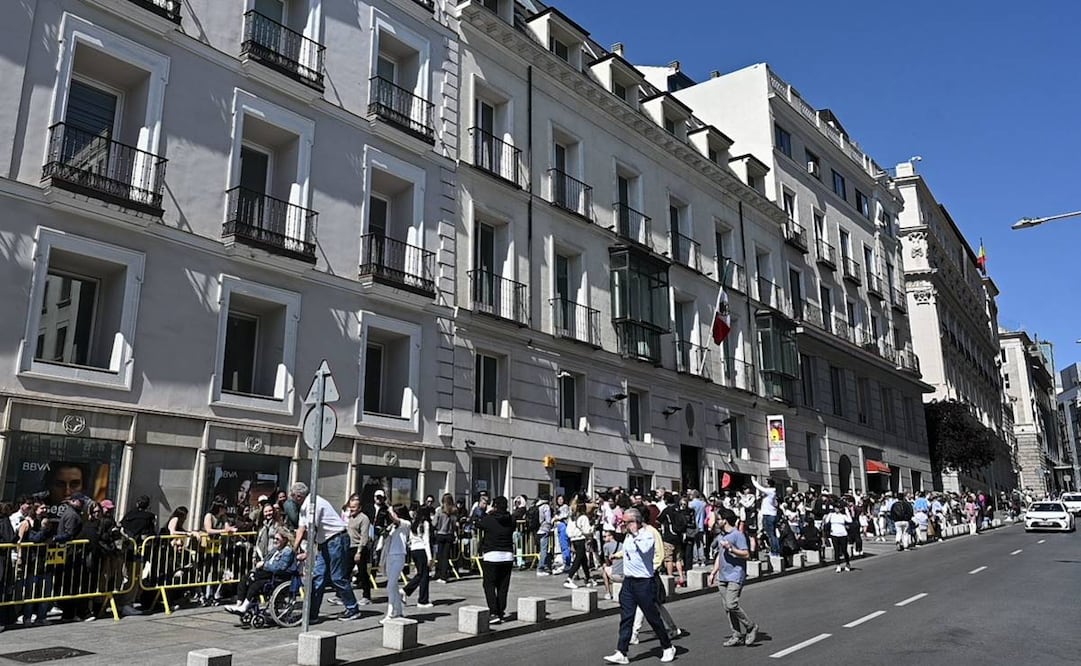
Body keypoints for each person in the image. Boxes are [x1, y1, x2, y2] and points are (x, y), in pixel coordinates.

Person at [604, 508, 676, 664]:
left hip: (644, 582)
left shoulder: (647, 535)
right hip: (629, 582)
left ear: (635, 522)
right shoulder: (629, 537)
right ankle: (622, 652)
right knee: (626, 617)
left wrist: (635, 534)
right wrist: (618, 555)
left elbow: (644, 550)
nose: (623, 525)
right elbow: (628, 551)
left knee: (652, 617)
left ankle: (667, 646)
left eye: (626, 522)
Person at [289, 482, 361, 623]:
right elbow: (301, 529)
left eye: (292, 495)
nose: (291, 498)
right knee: (318, 577)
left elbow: (311, 530)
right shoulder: (303, 508)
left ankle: (353, 608)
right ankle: (312, 614)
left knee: (337, 577)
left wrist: (308, 552)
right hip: (325, 542)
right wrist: (294, 549)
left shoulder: (312, 504)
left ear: (298, 496)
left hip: (336, 539)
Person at [709, 508, 759, 647]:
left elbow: (746, 554)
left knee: (732, 604)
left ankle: (751, 626)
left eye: (718, 519)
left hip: (736, 574)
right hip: (723, 575)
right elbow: (720, 555)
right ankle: (737, 634)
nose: (716, 521)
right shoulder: (721, 536)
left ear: (724, 520)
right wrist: (713, 572)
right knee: (727, 607)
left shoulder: (738, 535)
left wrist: (731, 549)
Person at [225, 530, 296, 615]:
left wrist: (264, 565)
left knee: (256, 584)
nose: (275, 540)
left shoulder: (287, 551)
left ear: (284, 539)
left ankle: (244, 607)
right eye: (274, 538)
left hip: (278, 578)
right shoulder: (275, 550)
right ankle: (239, 604)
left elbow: (280, 568)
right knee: (245, 579)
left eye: (277, 539)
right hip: (268, 574)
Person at [478, 495, 514, 624]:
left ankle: (493, 612)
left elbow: (478, 523)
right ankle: (501, 612)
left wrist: (486, 512)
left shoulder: (489, 519)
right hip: (507, 555)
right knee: (503, 586)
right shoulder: (510, 519)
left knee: (489, 584)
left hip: (491, 555)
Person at [380, 504, 411, 623]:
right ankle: (399, 610)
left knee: (390, 584)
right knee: (393, 586)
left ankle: (391, 613)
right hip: (389, 555)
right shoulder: (392, 526)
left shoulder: (405, 523)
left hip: (399, 555)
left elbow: (396, 520)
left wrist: (389, 509)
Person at [401, 506, 434, 609]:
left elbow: (410, 539)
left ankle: (407, 591)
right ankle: (422, 600)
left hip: (414, 550)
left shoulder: (414, 523)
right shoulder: (425, 524)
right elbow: (426, 541)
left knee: (420, 574)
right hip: (422, 550)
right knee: (424, 575)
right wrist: (430, 557)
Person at [344, 496, 373, 605]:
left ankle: (367, 596)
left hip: (359, 547)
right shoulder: (350, 517)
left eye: (354, 507)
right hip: (349, 547)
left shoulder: (364, 518)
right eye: (350, 507)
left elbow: (364, 536)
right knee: (345, 573)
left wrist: (359, 552)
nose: (352, 509)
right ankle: (341, 595)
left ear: (360, 508)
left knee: (362, 573)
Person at [563, 501, 594, 588]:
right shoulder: (584, 517)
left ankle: (588, 578)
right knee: (578, 559)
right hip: (581, 539)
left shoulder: (572, 518)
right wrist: (592, 529)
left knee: (583, 559)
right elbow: (587, 530)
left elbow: (568, 531)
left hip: (573, 539)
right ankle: (569, 578)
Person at [432, 494, 457, 584]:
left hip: (440, 534)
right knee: (446, 556)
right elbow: (454, 524)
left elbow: (434, 523)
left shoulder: (439, 510)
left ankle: (439, 574)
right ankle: (444, 576)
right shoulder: (454, 511)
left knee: (440, 555)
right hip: (449, 534)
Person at [824, 503, 851, 572]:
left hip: (843, 535)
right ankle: (838, 565)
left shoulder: (843, 516)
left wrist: (847, 511)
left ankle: (847, 563)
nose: (837, 509)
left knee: (844, 550)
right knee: (836, 550)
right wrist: (829, 513)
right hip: (834, 534)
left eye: (838, 508)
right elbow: (826, 521)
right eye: (835, 508)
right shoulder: (832, 515)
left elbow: (850, 520)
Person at [534, 494, 554, 575]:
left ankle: (546, 565)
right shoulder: (546, 506)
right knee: (544, 550)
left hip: (537, 530)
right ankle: (540, 568)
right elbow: (548, 519)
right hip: (544, 529)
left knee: (542, 549)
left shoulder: (537, 505)